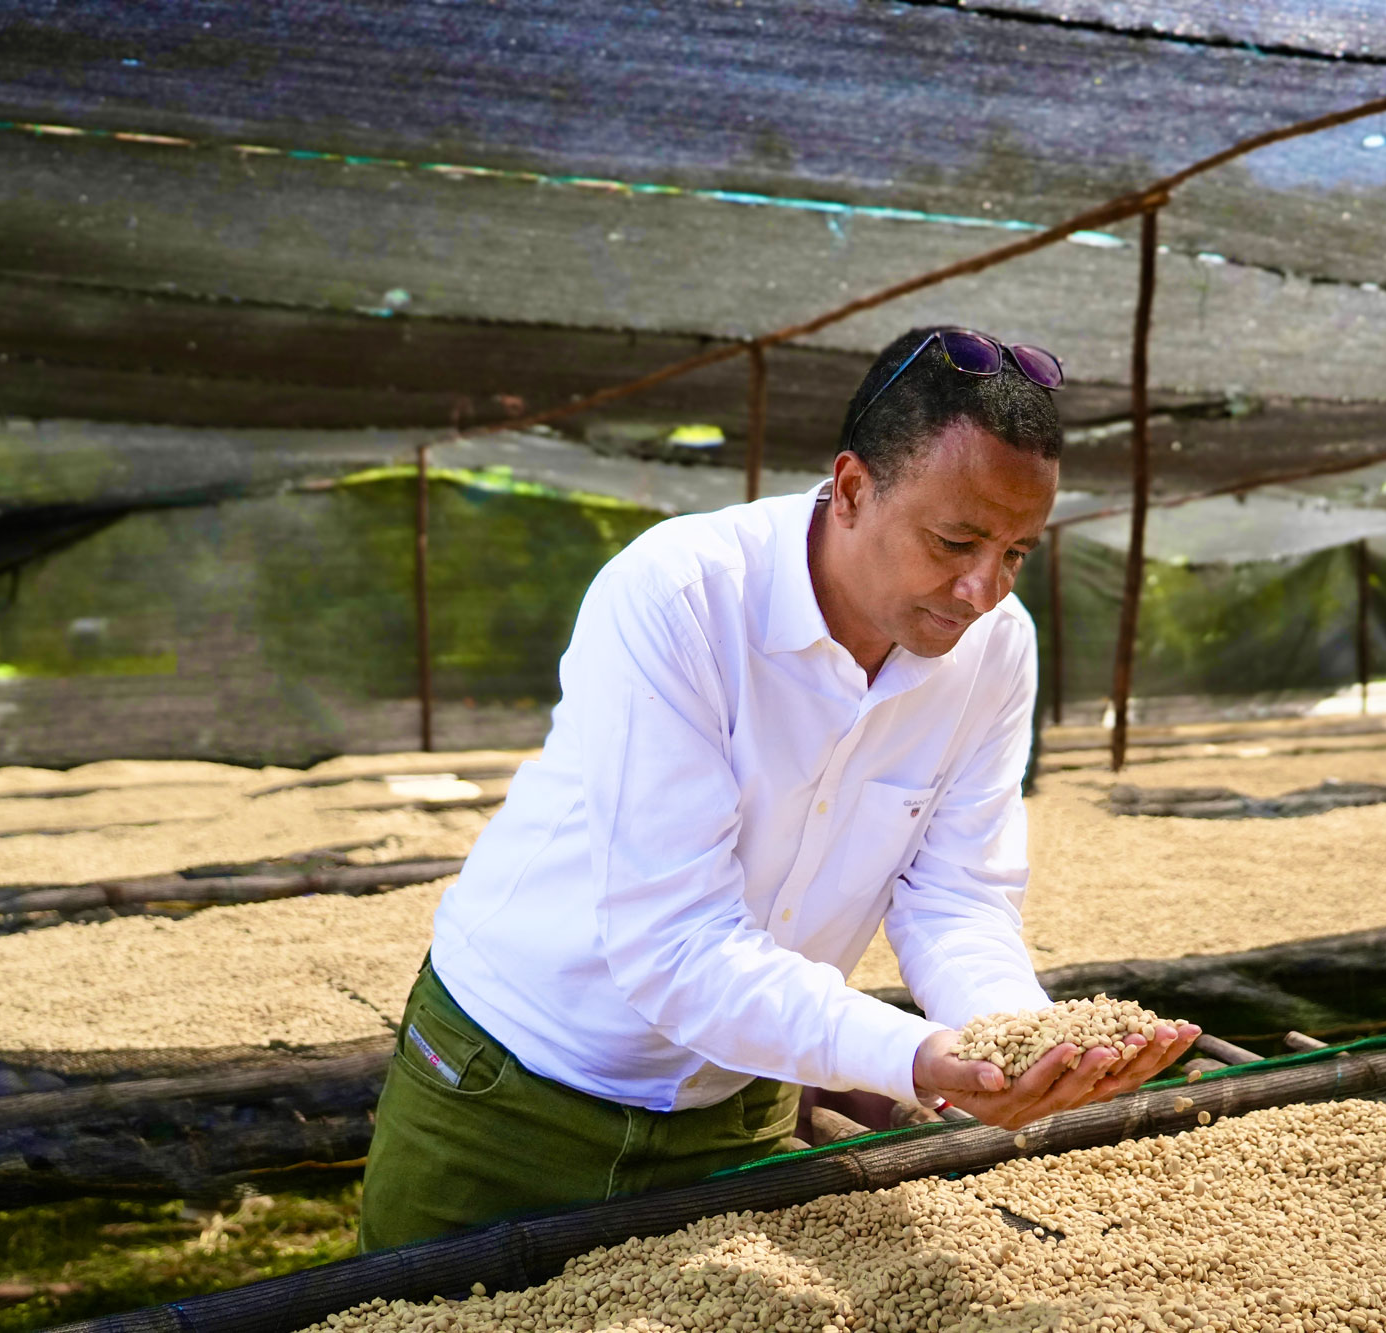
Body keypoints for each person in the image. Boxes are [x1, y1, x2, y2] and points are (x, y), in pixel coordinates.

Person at [359, 326, 1200, 1250]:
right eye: (956, 540)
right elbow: (674, 941)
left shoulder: (996, 651)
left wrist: (1014, 1039)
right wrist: (915, 1056)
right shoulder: (680, 595)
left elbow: (956, 897)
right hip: (509, 1080)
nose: (980, 590)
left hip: (742, 1090)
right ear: (850, 489)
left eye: (1016, 553)